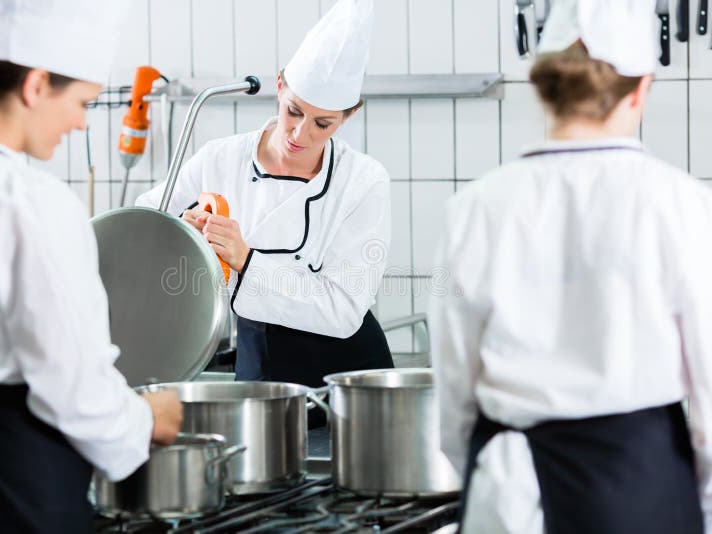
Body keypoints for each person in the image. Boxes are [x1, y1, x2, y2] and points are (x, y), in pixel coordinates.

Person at [429, 0, 710, 532]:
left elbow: (453, 387)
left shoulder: (474, 209)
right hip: (644, 488)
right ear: (642, 87)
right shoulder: (680, 204)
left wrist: (486, 476)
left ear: (543, 86)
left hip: (510, 494)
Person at [0, 2, 183, 533]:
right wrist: (146, 418)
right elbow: (72, 382)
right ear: (36, 86)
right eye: (81, 101)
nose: (81, 121)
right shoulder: (25, 199)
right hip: (11, 483)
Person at [137, 0, 393, 389]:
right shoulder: (220, 159)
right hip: (260, 362)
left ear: (348, 116)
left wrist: (245, 259)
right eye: (294, 111)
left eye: (322, 124)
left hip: (348, 377)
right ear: (278, 87)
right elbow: (143, 222)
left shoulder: (362, 181)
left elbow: (343, 309)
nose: (299, 134)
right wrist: (181, 230)